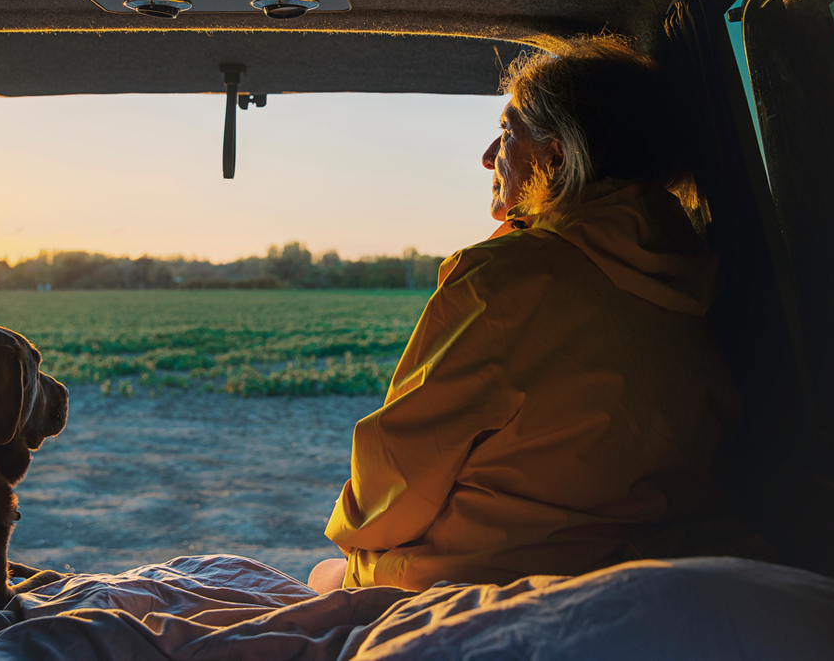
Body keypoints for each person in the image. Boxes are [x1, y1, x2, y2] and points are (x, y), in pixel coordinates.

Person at [309, 37, 740, 593]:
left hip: (477, 578)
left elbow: (399, 472)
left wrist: (354, 543)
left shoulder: (504, 281)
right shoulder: (696, 276)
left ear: (558, 158)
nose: (489, 155)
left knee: (325, 574)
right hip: (639, 566)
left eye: (510, 132)